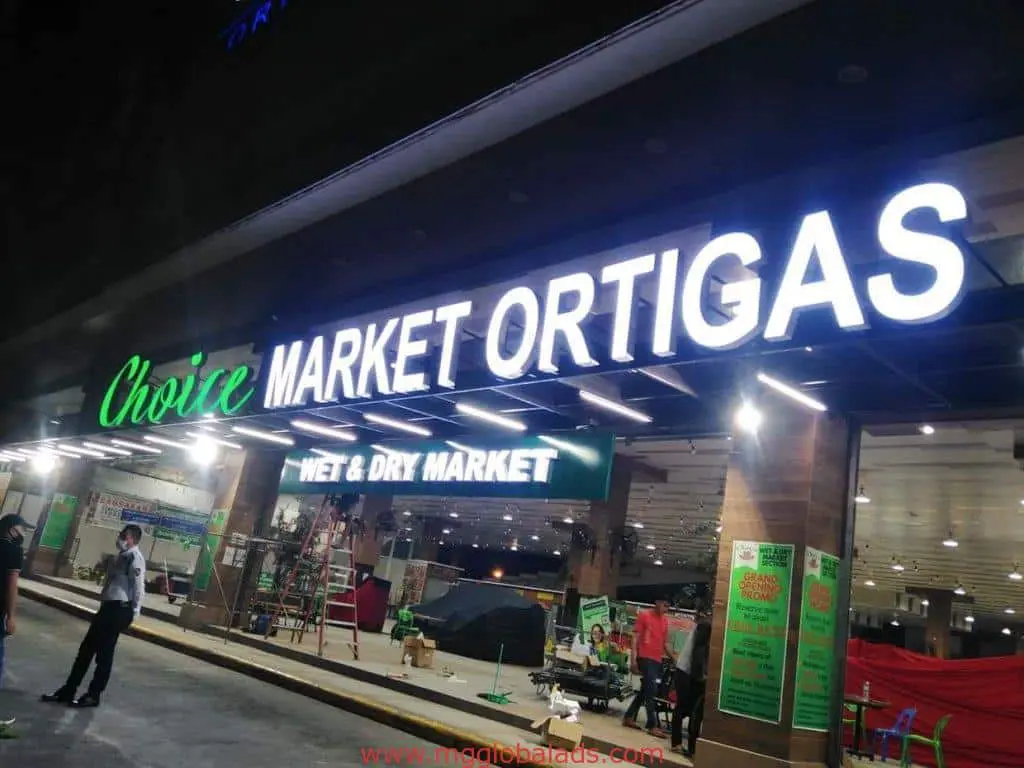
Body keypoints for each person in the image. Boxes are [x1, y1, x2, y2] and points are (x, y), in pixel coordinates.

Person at [42, 524, 146, 708]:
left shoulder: (134, 558)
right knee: (86, 650)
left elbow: (138, 588)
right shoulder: (120, 557)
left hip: (119, 609)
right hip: (108, 608)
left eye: (125, 535)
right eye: (121, 534)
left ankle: (93, 694)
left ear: (133, 539)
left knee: (104, 654)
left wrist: (135, 612)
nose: (120, 538)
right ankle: (68, 690)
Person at [622, 596, 673, 737]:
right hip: (644, 657)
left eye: (668, 606)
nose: (666, 608)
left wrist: (675, 658)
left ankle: (628, 716)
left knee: (645, 690)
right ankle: (652, 725)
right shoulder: (644, 615)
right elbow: (635, 638)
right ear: (657, 602)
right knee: (651, 690)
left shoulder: (665, 621)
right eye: (664, 604)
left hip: (656, 660)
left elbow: (665, 644)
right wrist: (633, 660)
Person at [671, 609, 711, 755]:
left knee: (691, 710)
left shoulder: (706, 624)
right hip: (686, 671)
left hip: (690, 672)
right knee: (685, 708)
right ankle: (678, 743)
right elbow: (698, 653)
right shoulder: (706, 626)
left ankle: (690, 746)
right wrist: (701, 677)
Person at [1, 514, 34, 685]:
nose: (24, 534)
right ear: (12, 530)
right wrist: (11, 616)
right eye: (23, 529)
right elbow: (12, 586)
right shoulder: (14, 551)